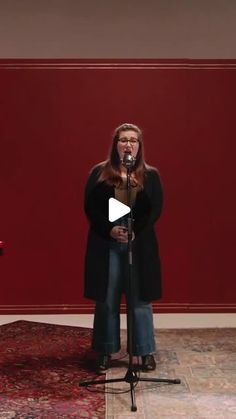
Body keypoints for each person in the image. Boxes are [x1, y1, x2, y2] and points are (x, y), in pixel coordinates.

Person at [84, 123, 163, 373]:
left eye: (133, 140)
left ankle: (144, 351)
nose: (128, 144)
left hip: (137, 243)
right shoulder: (99, 173)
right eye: (123, 140)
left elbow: (154, 210)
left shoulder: (150, 176)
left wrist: (134, 230)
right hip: (107, 242)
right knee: (107, 299)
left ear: (139, 146)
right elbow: (91, 208)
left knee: (140, 299)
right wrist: (110, 229)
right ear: (115, 144)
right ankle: (105, 350)